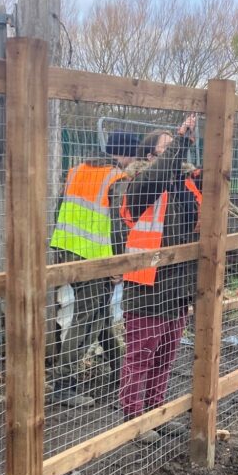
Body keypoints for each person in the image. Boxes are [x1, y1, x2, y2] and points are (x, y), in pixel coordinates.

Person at [113, 115, 202, 440]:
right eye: (166, 149)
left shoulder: (184, 186)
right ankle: (133, 419)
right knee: (140, 355)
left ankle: (155, 410)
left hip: (177, 287)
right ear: (149, 156)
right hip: (147, 285)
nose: (176, 155)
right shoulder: (139, 184)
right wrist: (180, 138)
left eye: (176, 148)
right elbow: (161, 174)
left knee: (165, 355)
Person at [48, 130, 140, 405]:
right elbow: (118, 225)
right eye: (133, 155)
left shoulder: (77, 170)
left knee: (98, 314)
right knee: (88, 316)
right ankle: (64, 383)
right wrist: (118, 265)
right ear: (124, 153)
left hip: (69, 251)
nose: (133, 160)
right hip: (97, 257)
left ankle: (119, 371)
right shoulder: (116, 177)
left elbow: (60, 210)